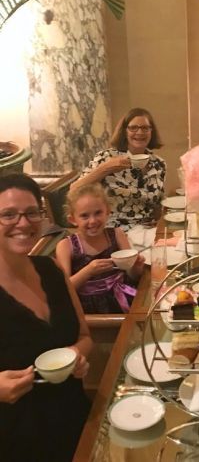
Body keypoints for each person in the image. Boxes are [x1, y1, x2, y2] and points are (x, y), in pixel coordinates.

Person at [0, 173, 92, 462]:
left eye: (31, 213)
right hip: (15, 434)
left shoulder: (51, 269)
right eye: (8, 215)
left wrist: (76, 354)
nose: (23, 223)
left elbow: (85, 337)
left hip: (74, 416)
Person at [56, 184, 145, 313]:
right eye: (84, 216)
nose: (92, 221)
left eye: (98, 213)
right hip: (89, 310)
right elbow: (63, 289)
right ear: (73, 219)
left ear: (108, 211)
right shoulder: (65, 246)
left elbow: (132, 276)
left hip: (123, 297)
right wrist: (88, 271)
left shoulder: (117, 234)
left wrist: (136, 267)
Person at [73, 107, 166, 230]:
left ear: (151, 131)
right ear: (124, 131)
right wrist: (106, 168)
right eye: (133, 128)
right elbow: (74, 189)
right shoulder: (106, 158)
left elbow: (158, 204)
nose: (139, 132)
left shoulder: (158, 163)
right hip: (114, 231)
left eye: (145, 128)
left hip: (147, 229)